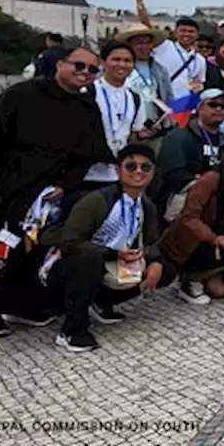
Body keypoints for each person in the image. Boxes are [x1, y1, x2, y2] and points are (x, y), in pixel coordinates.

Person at [0, 46, 114, 338]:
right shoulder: (21, 96)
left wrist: (65, 186)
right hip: (12, 186)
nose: (84, 73)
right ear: (60, 65)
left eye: (91, 70)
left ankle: (26, 305)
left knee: (37, 250)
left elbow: (87, 156)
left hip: (51, 192)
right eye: (78, 66)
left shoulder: (86, 107)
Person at [39, 144, 175, 352]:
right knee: (88, 261)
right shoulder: (96, 201)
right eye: (131, 167)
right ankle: (72, 330)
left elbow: (151, 241)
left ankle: (101, 302)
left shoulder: (146, 206)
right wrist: (112, 253)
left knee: (166, 270)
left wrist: (155, 263)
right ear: (118, 171)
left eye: (145, 168)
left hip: (112, 260)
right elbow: (69, 242)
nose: (138, 172)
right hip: (68, 266)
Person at [160, 138, 224, 304]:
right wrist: (213, 238)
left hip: (222, 237)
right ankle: (188, 279)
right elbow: (189, 217)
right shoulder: (211, 179)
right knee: (217, 289)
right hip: (196, 238)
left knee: (221, 291)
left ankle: (200, 276)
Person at [154, 88, 224, 219]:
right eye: (213, 105)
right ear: (200, 108)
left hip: (217, 202)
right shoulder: (178, 136)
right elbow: (172, 173)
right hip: (183, 200)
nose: (219, 109)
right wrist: (204, 185)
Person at [82, 42, 142, 189]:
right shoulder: (87, 92)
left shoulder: (134, 97)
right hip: (86, 174)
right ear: (103, 62)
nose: (121, 64)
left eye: (127, 61)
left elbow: (134, 134)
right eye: (116, 59)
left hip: (118, 175)